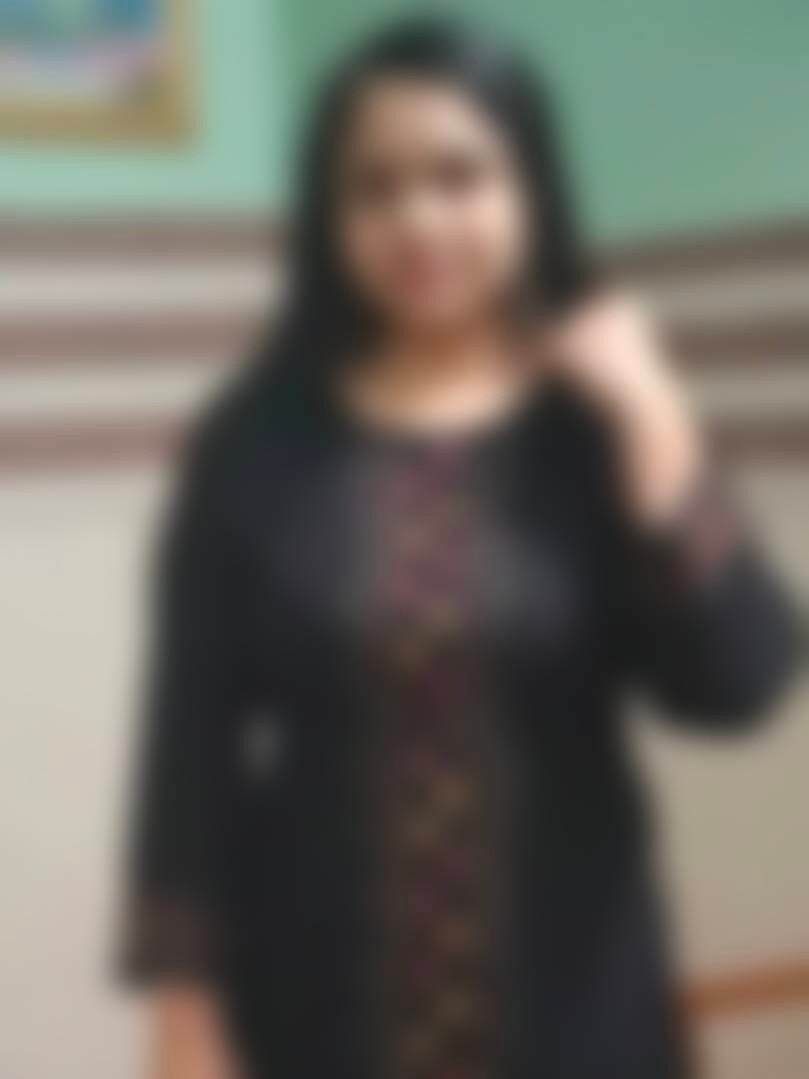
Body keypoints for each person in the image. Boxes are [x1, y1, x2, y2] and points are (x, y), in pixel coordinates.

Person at [120, 18, 796, 1079]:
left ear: (529, 188)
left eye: (458, 174)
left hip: (574, 1007)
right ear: (329, 217)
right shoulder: (254, 441)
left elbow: (735, 687)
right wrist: (183, 1011)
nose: (418, 219)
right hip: (316, 1003)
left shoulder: (591, 427)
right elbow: (188, 744)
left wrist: (658, 424)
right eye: (374, 187)